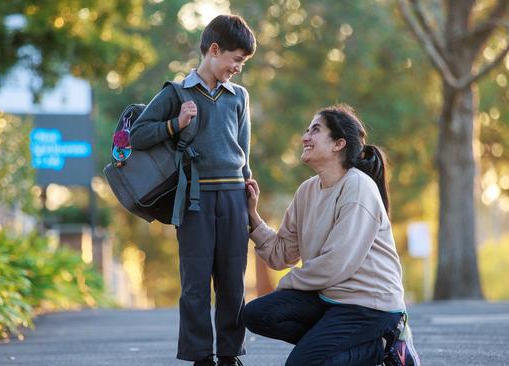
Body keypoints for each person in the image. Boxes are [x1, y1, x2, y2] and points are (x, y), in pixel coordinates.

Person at [242, 104, 421, 366]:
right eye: (306, 130)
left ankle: (383, 347)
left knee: (302, 364)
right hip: (329, 298)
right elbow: (282, 255)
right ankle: (355, 349)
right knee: (258, 314)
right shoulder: (307, 191)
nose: (305, 137)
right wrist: (253, 217)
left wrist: (287, 284)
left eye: (315, 130)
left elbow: (337, 263)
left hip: (369, 307)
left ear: (338, 144)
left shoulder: (358, 188)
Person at [130, 14, 256, 366]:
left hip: (233, 196)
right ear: (214, 50)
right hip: (194, 199)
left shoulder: (239, 97)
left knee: (233, 282)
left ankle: (230, 354)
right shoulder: (176, 92)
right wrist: (175, 123)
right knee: (196, 284)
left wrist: (248, 187)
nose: (238, 68)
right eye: (236, 60)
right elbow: (137, 135)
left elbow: (243, 149)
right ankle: (201, 356)